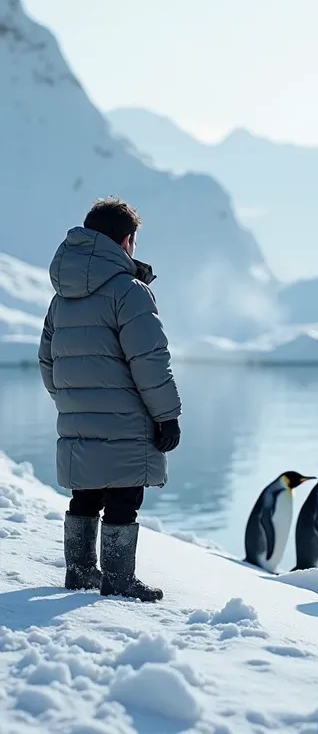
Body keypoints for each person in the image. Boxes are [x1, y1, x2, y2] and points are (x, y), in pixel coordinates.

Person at [38, 198, 182, 602]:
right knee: (124, 496)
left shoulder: (61, 295)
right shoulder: (128, 290)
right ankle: (118, 580)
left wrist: (69, 400)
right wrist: (167, 416)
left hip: (76, 417)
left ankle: (80, 571)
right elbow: (150, 360)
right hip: (125, 419)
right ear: (126, 241)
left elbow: (47, 359)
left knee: (85, 493)